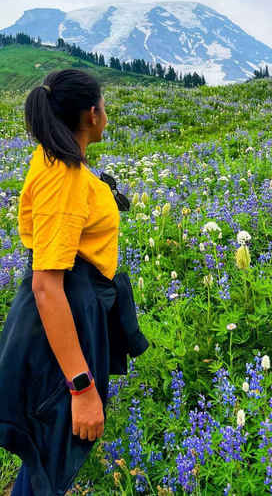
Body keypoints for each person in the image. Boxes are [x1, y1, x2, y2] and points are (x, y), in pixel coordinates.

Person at [0, 69, 147, 495]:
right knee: (49, 460)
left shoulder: (62, 161)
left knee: (49, 456)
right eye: (103, 105)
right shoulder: (61, 176)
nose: (107, 112)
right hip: (61, 321)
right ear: (91, 114)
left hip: (74, 309)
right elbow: (47, 286)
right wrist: (80, 386)